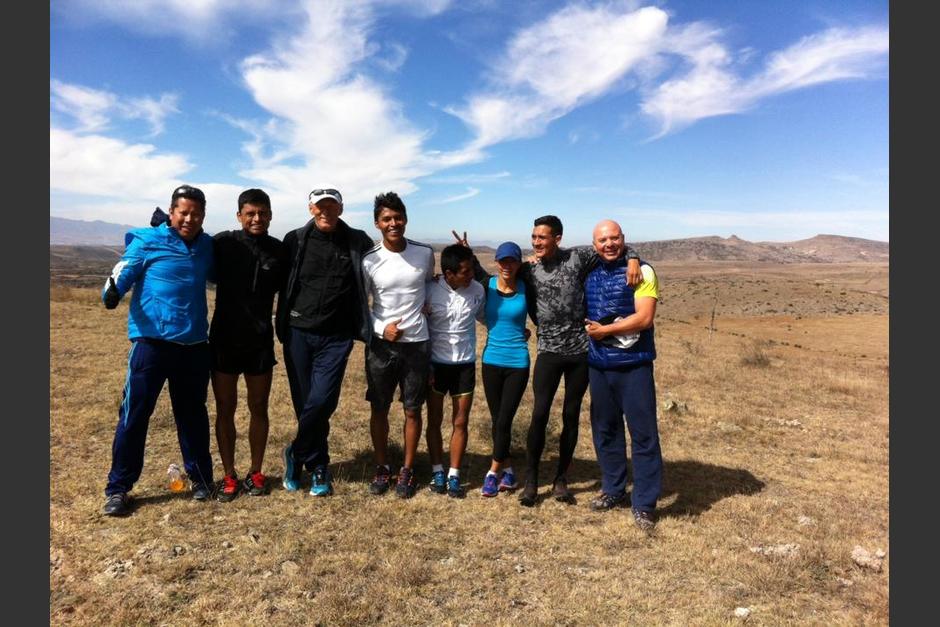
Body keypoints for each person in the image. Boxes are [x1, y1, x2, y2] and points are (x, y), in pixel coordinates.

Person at [455, 216, 641, 507]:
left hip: (580, 352)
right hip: (548, 352)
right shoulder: (530, 270)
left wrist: (634, 260)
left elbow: (613, 249)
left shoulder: (578, 257)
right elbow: (500, 275)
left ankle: (561, 480)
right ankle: (531, 480)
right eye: (534, 237)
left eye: (542, 237)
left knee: (570, 416)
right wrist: (467, 255)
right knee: (539, 415)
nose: (537, 243)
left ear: (558, 238)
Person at [100, 184, 215, 516]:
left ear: (203, 215)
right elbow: (124, 269)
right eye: (183, 212)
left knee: (193, 416)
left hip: (193, 346)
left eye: (196, 213)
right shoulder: (148, 240)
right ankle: (118, 488)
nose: (189, 219)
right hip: (150, 345)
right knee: (134, 416)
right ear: (171, 211)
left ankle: (201, 479)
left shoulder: (207, 246)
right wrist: (112, 291)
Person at [276, 187, 375, 496]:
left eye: (331, 207)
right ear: (310, 209)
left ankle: (295, 452)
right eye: (320, 207)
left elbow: (383, 271)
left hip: (337, 336)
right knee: (305, 403)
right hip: (298, 333)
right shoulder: (295, 240)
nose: (325, 212)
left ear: (341, 209)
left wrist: (429, 284)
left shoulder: (358, 241)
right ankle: (319, 467)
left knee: (323, 401)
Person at [583, 220, 662, 533]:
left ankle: (644, 504)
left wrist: (606, 331)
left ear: (624, 240)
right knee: (605, 431)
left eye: (614, 238)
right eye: (603, 240)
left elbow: (644, 318)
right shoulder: (588, 271)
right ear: (594, 245)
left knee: (643, 435)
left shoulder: (643, 271)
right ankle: (613, 489)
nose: (609, 244)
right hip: (599, 366)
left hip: (634, 365)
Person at [209, 189, 286, 502]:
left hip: (259, 341)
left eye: (263, 213)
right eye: (250, 213)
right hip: (224, 339)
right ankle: (229, 474)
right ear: (239, 215)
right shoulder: (222, 243)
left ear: (270, 214)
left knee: (259, 407)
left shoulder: (279, 251)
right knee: (225, 408)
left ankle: (256, 471)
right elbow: (188, 247)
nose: (257, 219)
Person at [362, 191, 435, 499]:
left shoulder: (425, 253)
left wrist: (429, 304)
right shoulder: (369, 260)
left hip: (417, 344)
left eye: (398, 217)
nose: (393, 223)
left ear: (405, 218)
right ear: (377, 223)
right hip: (381, 346)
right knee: (379, 408)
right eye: (386, 219)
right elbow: (361, 306)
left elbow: (429, 285)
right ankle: (382, 466)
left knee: (413, 409)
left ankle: (406, 469)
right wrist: (381, 329)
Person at [424, 244, 485, 498]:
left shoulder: (478, 290)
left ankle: (454, 475)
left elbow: (486, 317)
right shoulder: (429, 290)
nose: (471, 275)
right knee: (435, 420)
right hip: (436, 365)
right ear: (448, 274)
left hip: (465, 366)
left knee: (461, 421)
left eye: (472, 270)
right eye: (465, 272)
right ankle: (437, 469)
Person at [475, 241, 533, 498]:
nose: (507, 265)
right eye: (503, 260)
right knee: (498, 419)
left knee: (504, 419)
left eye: (512, 261)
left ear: (518, 263)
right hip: (491, 362)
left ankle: (492, 471)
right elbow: (468, 269)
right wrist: (465, 249)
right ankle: (508, 470)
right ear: (496, 262)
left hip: (517, 363)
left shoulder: (526, 287)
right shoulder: (486, 286)